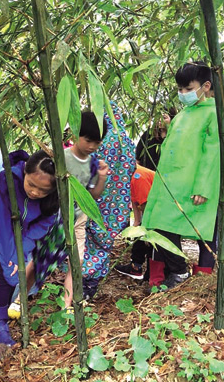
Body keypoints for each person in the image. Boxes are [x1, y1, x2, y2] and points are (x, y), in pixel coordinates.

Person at [142, 61, 220, 289]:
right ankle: (173, 272)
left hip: (189, 184)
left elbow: (212, 153)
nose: (183, 94)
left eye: (188, 88)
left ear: (205, 86)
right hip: (168, 183)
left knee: (168, 226)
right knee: (158, 225)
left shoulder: (214, 114)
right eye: (180, 89)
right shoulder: (183, 114)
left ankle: (179, 271)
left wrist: (203, 187)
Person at [0, 151, 60, 346]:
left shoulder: (54, 198)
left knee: (11, 274)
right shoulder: (7, 181)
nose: (35, 193)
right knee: (8, 272)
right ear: (25, 172)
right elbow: (1, 221)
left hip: (24, 233)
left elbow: (43, 225)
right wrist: (12, 255)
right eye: (32, 185)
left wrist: (23, 248)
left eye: (43, 191)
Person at [77, 101, 136, 300]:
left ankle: (85, 279)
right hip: (118, 203)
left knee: (90, 237)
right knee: (104, 240)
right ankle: (92, 281)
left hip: (97, 197)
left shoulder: (101, 140)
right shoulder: (126, 141)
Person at [62, 112, 109, 308]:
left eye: (97, 143)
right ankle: (17, 299)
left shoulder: (92, 164)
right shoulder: (61, 157)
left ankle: (66, 305)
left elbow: (92, 198)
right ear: (75, 134)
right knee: (38, 260)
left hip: (79, 219)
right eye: (88, 140)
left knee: (77, 262)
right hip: (56, 216)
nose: (92, 146)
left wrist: (102, 178)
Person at [115, 165, 155, 280]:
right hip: (148, 212)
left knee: (149, 241)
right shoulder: (130, 177)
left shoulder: (139, 177)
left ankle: (151, 274)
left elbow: (145, 205)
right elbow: (135, 200)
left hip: (156, 213)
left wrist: (147, 228)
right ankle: (135, 267)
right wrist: (136, 223)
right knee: (138, 233)